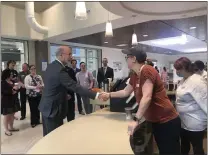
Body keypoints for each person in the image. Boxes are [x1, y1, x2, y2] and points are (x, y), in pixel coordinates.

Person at [101, 47, 181, 155]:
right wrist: (109, 94)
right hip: (156, 120)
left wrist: (136, 120)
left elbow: (147, 96)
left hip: (167, 120)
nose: (126, 60)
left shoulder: (147, 70)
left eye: (127, 57)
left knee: (169, 151)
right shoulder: (135, 75)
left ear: (133, 59)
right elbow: (125, 92)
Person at [39, 46, 101, 136]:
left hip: (46, 107)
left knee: (47, 136)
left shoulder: (51, 66)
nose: (72, 57)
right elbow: (75, 86)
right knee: (53, 138)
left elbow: (53, 84)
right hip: (53, 110)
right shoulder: (60, 70)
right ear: (61, 55)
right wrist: (96, 95)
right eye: (70, 54)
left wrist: (63, 94)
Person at [174, 57, 207, 155]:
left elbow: (205, 101)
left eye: (178, 69)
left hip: (195, 123)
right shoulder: (184, 80)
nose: (176, 71)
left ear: (185, 68)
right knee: (184, 146)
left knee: (197, 148)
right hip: (184, 122)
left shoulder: (197, 82)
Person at [1, 69, 20, 136]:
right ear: (7, 74)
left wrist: (17, 89)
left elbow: (16, 89)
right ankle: (6, 130)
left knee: (12, 114)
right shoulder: (3, 82)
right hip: (7, 101)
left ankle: (11, 127)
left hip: (13, 100)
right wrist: (12, 90)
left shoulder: (12, 81)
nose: (12, 75)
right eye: (10, 74)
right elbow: (3, 92)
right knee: (7, 116)